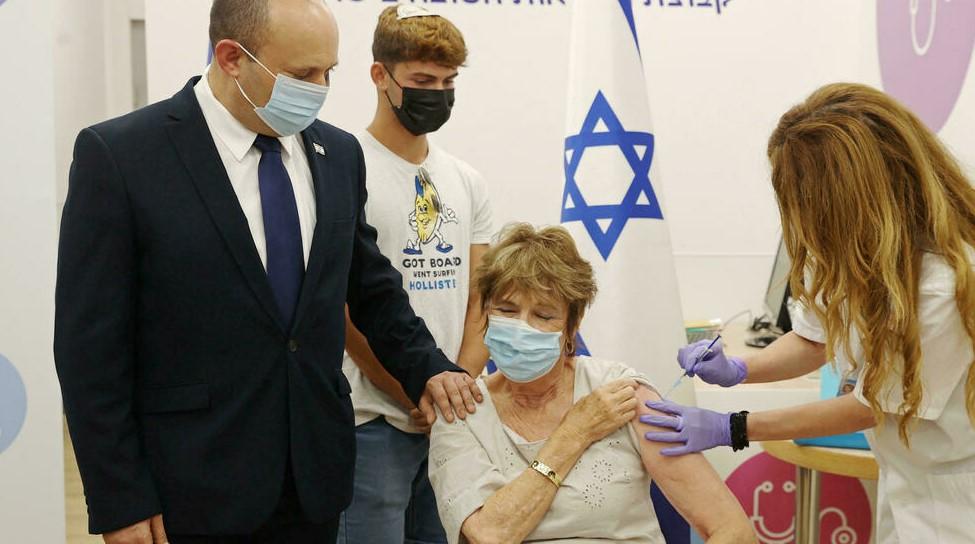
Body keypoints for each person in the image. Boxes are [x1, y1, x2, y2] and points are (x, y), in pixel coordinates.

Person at [53, 1, 479, 542]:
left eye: (329, 71)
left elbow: (370, 287)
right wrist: (119, 499)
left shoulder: (337, 154)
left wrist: (429, 368)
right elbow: (89, 350)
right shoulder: (121, 156)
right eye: (302, 74)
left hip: (313, 483)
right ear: (232, 57)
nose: (321, 87)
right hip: (188, 487)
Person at [644, 83, 975, 543]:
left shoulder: (945, 284)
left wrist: (732, 427)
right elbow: (813, 338)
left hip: (960, 491)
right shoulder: (850, 247)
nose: (803, 221)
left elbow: (868, 408)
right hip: (908, 478)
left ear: (855, 200)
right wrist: (739, 369)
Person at [428, 224, 756, 544]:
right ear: (484, 310)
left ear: (572, 327)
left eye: (543, 316)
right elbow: (490, 535)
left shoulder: (621, 394)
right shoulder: (461, 409)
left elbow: (733, 531)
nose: (521, 328)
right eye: (506, 310)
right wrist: (576, 431)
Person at [337, 5, 493, 543]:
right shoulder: (343, 165)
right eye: (423, 80)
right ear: (380, 75)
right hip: (370, 419)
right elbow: (342, 305)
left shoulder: (467, 180)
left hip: (454, 421)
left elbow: (482, 299)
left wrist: (458, 388)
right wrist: (411, 389)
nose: (438, 94)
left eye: (449, 82)